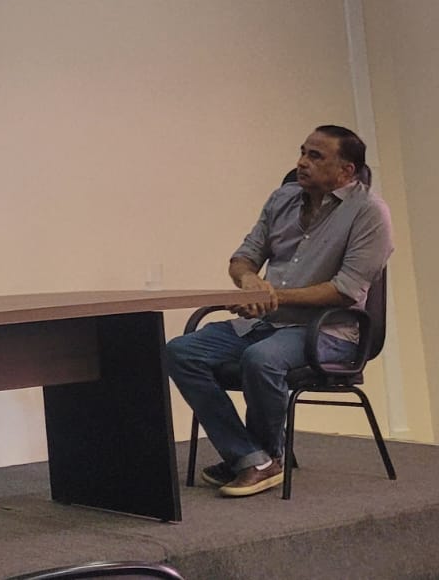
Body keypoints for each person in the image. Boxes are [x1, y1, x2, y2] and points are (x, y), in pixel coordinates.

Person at [166, 126, 393, 498]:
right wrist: (250, 283)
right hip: (267, 323)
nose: (302, 162)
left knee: (261, 359)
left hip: (329, 332)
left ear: (346, 171)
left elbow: (345, 290)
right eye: (302, 152)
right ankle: (250, 457)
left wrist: (275, 297)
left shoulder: (370, 213)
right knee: (181, 351)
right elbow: (243, 258)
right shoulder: (282, 199)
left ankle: (264, 457)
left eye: (315, 156)